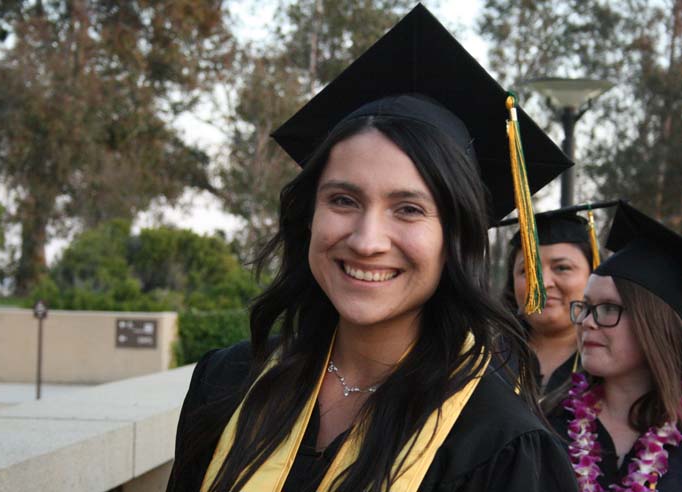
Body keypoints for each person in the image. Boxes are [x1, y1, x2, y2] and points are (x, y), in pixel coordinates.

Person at [167, 5, 579, 492]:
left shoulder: (499, 445)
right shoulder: (228, 382)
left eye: (408, 209)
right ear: (310, 216)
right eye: (344, 200)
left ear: (457, 236)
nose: (366, 241)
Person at [549, 202, 682, 491]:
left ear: (654, 324)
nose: (586, 321)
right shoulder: (548, 427)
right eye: (584, 307)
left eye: (609, 308)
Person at [499, 205, 607, 395]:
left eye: (562, 268)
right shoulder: (485, 360)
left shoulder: (616, 364)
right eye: (528, 270)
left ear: (594, 275)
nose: (542, 283)